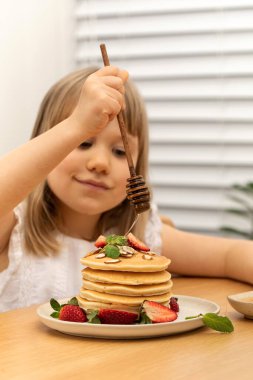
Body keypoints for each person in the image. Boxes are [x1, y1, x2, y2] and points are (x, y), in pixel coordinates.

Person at [0, 65, 253, 312]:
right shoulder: (12, 233)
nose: (99, 163)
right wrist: (76, 124)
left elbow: (230, 255)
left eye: (120, 151)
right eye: (83, 142)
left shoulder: (142, 237)